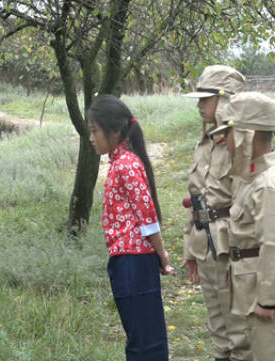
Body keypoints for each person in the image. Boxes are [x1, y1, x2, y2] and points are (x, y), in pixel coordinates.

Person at [209, 92, 275, 361]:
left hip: (268, 296)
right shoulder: (251, 179)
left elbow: (274, 243)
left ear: (245, 135)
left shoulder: (267, 185)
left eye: (229, 134)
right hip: (251, 288)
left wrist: (268, 299)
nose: (226, 143)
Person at [87, 94, 174, 361]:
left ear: (114, 131)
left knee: (146, 341)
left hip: (134, 263)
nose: (91, 138)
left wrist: (162, 255)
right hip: (126, 261)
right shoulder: (119, 163)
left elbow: (147, 218)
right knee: (140, 338)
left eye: (94, 131)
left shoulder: (126, 164)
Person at [181, 65, 252, 361]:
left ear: (224, 101)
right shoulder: (205, 142)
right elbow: (196, 198)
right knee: (218, 331)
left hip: (231, 249)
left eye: (205, 99)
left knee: (240, 334)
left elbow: (250, 204)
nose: (199, 105)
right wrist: (190, 249)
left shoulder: (240, 144)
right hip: (205, 247)